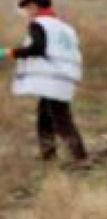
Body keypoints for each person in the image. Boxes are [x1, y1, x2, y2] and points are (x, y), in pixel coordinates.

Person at [0, 0, 88, 166]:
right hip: (64, 76)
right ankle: (48, 154)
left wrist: (9, 52)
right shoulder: (64, 27)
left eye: (26, 6)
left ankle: (81, 157)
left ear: (34, 5)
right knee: (45, 116)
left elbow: (38, 48)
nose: (26, 11)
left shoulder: (39, 24)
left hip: (52, 78)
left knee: (61, 119)